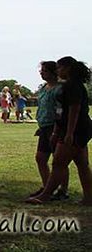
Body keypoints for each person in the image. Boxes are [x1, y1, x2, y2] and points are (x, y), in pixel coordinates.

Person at [27, 56, 92, 205]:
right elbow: (61, 112)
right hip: (78, 129)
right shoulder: (71, 85)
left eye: (59, 67)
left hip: (76, 130)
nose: (58, 70)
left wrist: (69, 133)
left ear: (68, 68)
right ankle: (89, 198)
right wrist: (58, 131)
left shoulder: (72, 86)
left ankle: (45, 196)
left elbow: (74, 110)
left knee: (58, 163)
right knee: (82, 164)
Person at [27, 61, 69, 200]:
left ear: (53, 72)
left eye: (44, 70)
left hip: (55, 127)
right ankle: (47, 187)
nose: (41, 73)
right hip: (44, 127)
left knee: (59, 160)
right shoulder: (44, 88)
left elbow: (61, 109)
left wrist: (57, 129)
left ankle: (63, 190)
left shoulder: (60, 88)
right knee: (40, 158)